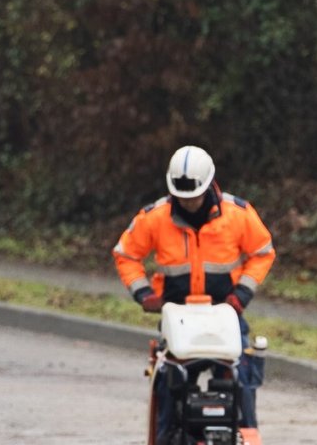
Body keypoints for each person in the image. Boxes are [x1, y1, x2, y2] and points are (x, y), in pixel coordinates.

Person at [113, 146, 276, 429]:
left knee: (241, 378)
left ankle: (246, 440)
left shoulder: (237, 215)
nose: (189, 203)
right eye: (182, 198)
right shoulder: (155, 218)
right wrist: (144, 294)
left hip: (226, 314)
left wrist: (242, 295)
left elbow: (262, 252)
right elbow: (126, 254)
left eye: (194, 196)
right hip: (178, 317)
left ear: (209, 185)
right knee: (168, 379)